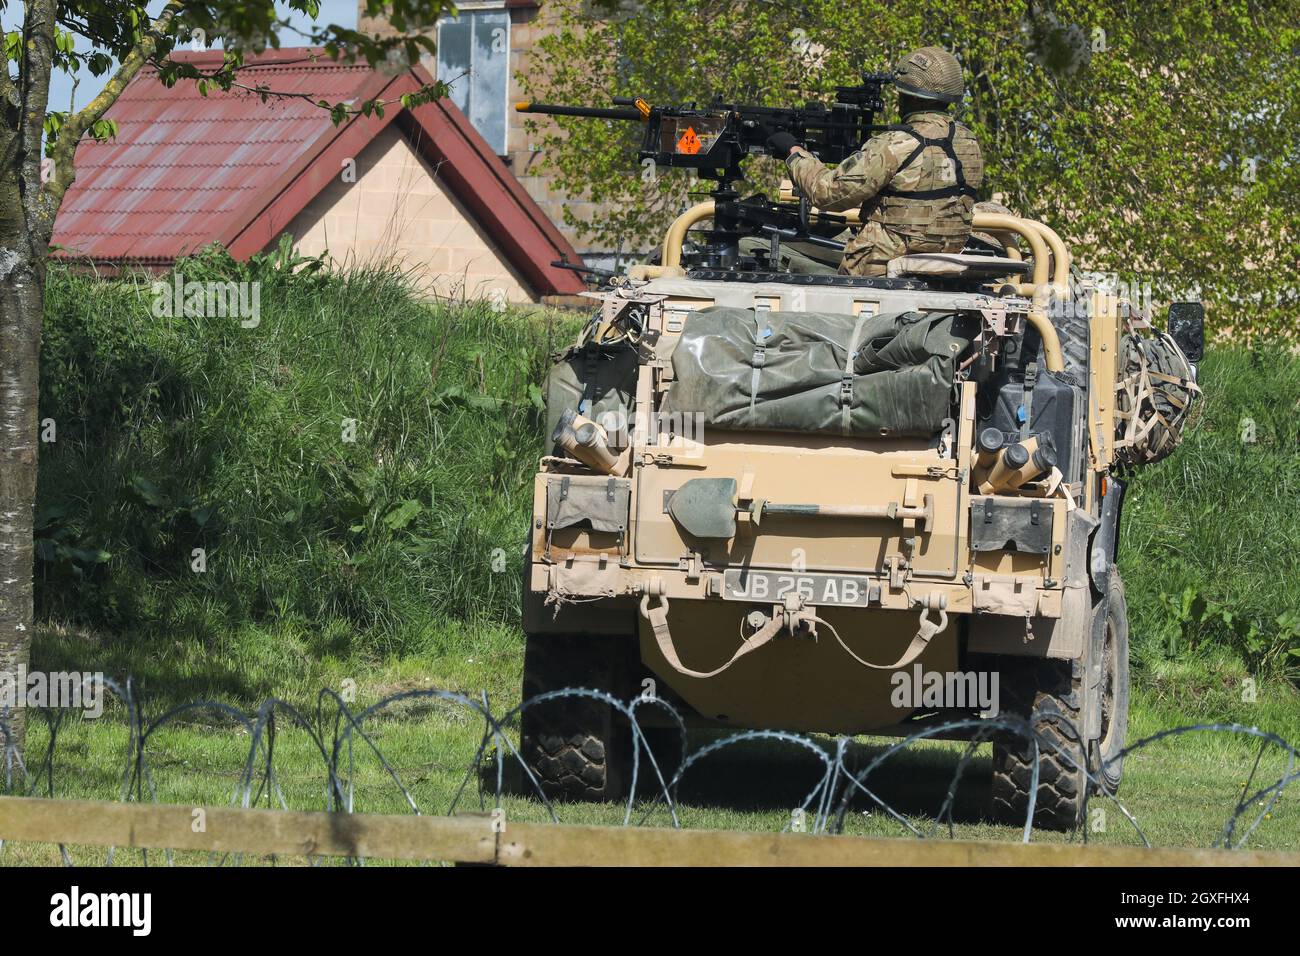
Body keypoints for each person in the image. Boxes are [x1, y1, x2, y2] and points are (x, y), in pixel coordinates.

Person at [767, 46, 984, 277]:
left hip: (879, 270)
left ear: (909, 97)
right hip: (945, 262)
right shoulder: (969, 143)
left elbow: (827, 193)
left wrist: (793, 152)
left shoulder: (895, 144)